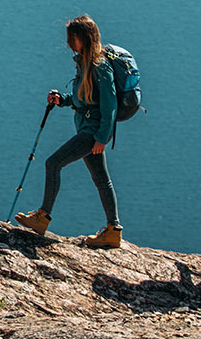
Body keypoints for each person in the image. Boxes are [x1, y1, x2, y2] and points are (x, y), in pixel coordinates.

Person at [15, 15, 123, 248]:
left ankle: (42, 217)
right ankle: (113, 230)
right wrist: (62, 100)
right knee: (102, 180)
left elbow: (110, 104)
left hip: (92, 133)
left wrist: (102, 137)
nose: (68, 42)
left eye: (72, 37)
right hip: (87, 128)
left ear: (84, 38)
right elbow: (84, 98)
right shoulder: (85, 63)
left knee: (53, 163)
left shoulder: (100, 66)